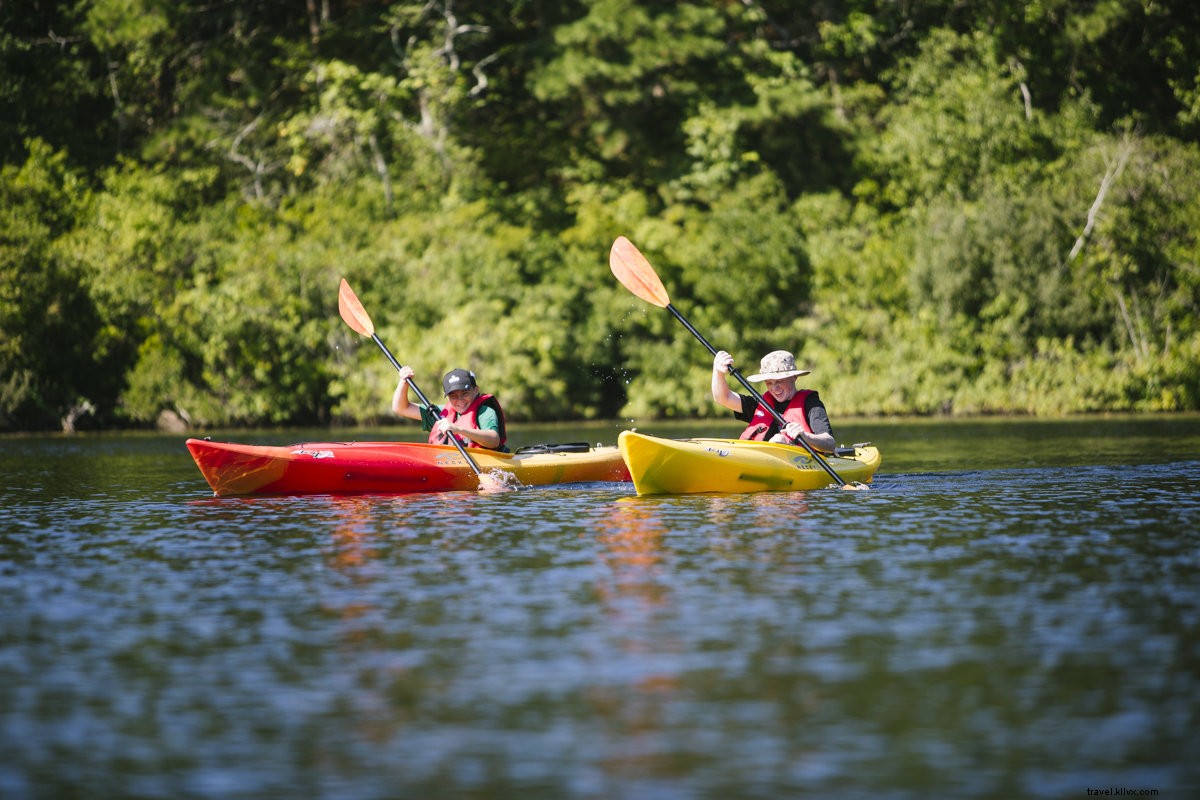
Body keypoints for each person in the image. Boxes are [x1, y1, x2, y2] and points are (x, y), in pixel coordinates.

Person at [711, 349, 836, 453]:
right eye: (769, 383)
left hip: (800, 465)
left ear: (794, 377)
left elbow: (830, 444)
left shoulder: (811, 404)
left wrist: (805, 436)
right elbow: (723, 398)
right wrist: (718, 372)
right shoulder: (761, 404)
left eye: (779, 381)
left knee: (779, 439)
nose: (774, 388)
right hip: (759, 462)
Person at [392, 366, 508, 452]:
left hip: (487, 462)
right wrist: (404, 382)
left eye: (465, 393)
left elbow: (494, 441)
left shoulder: (485, 412)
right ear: (447, 396)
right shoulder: (441, 414)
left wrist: (458, 429)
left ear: (476, 390)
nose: (460, 400)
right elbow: (401, 408)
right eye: (453, 396)